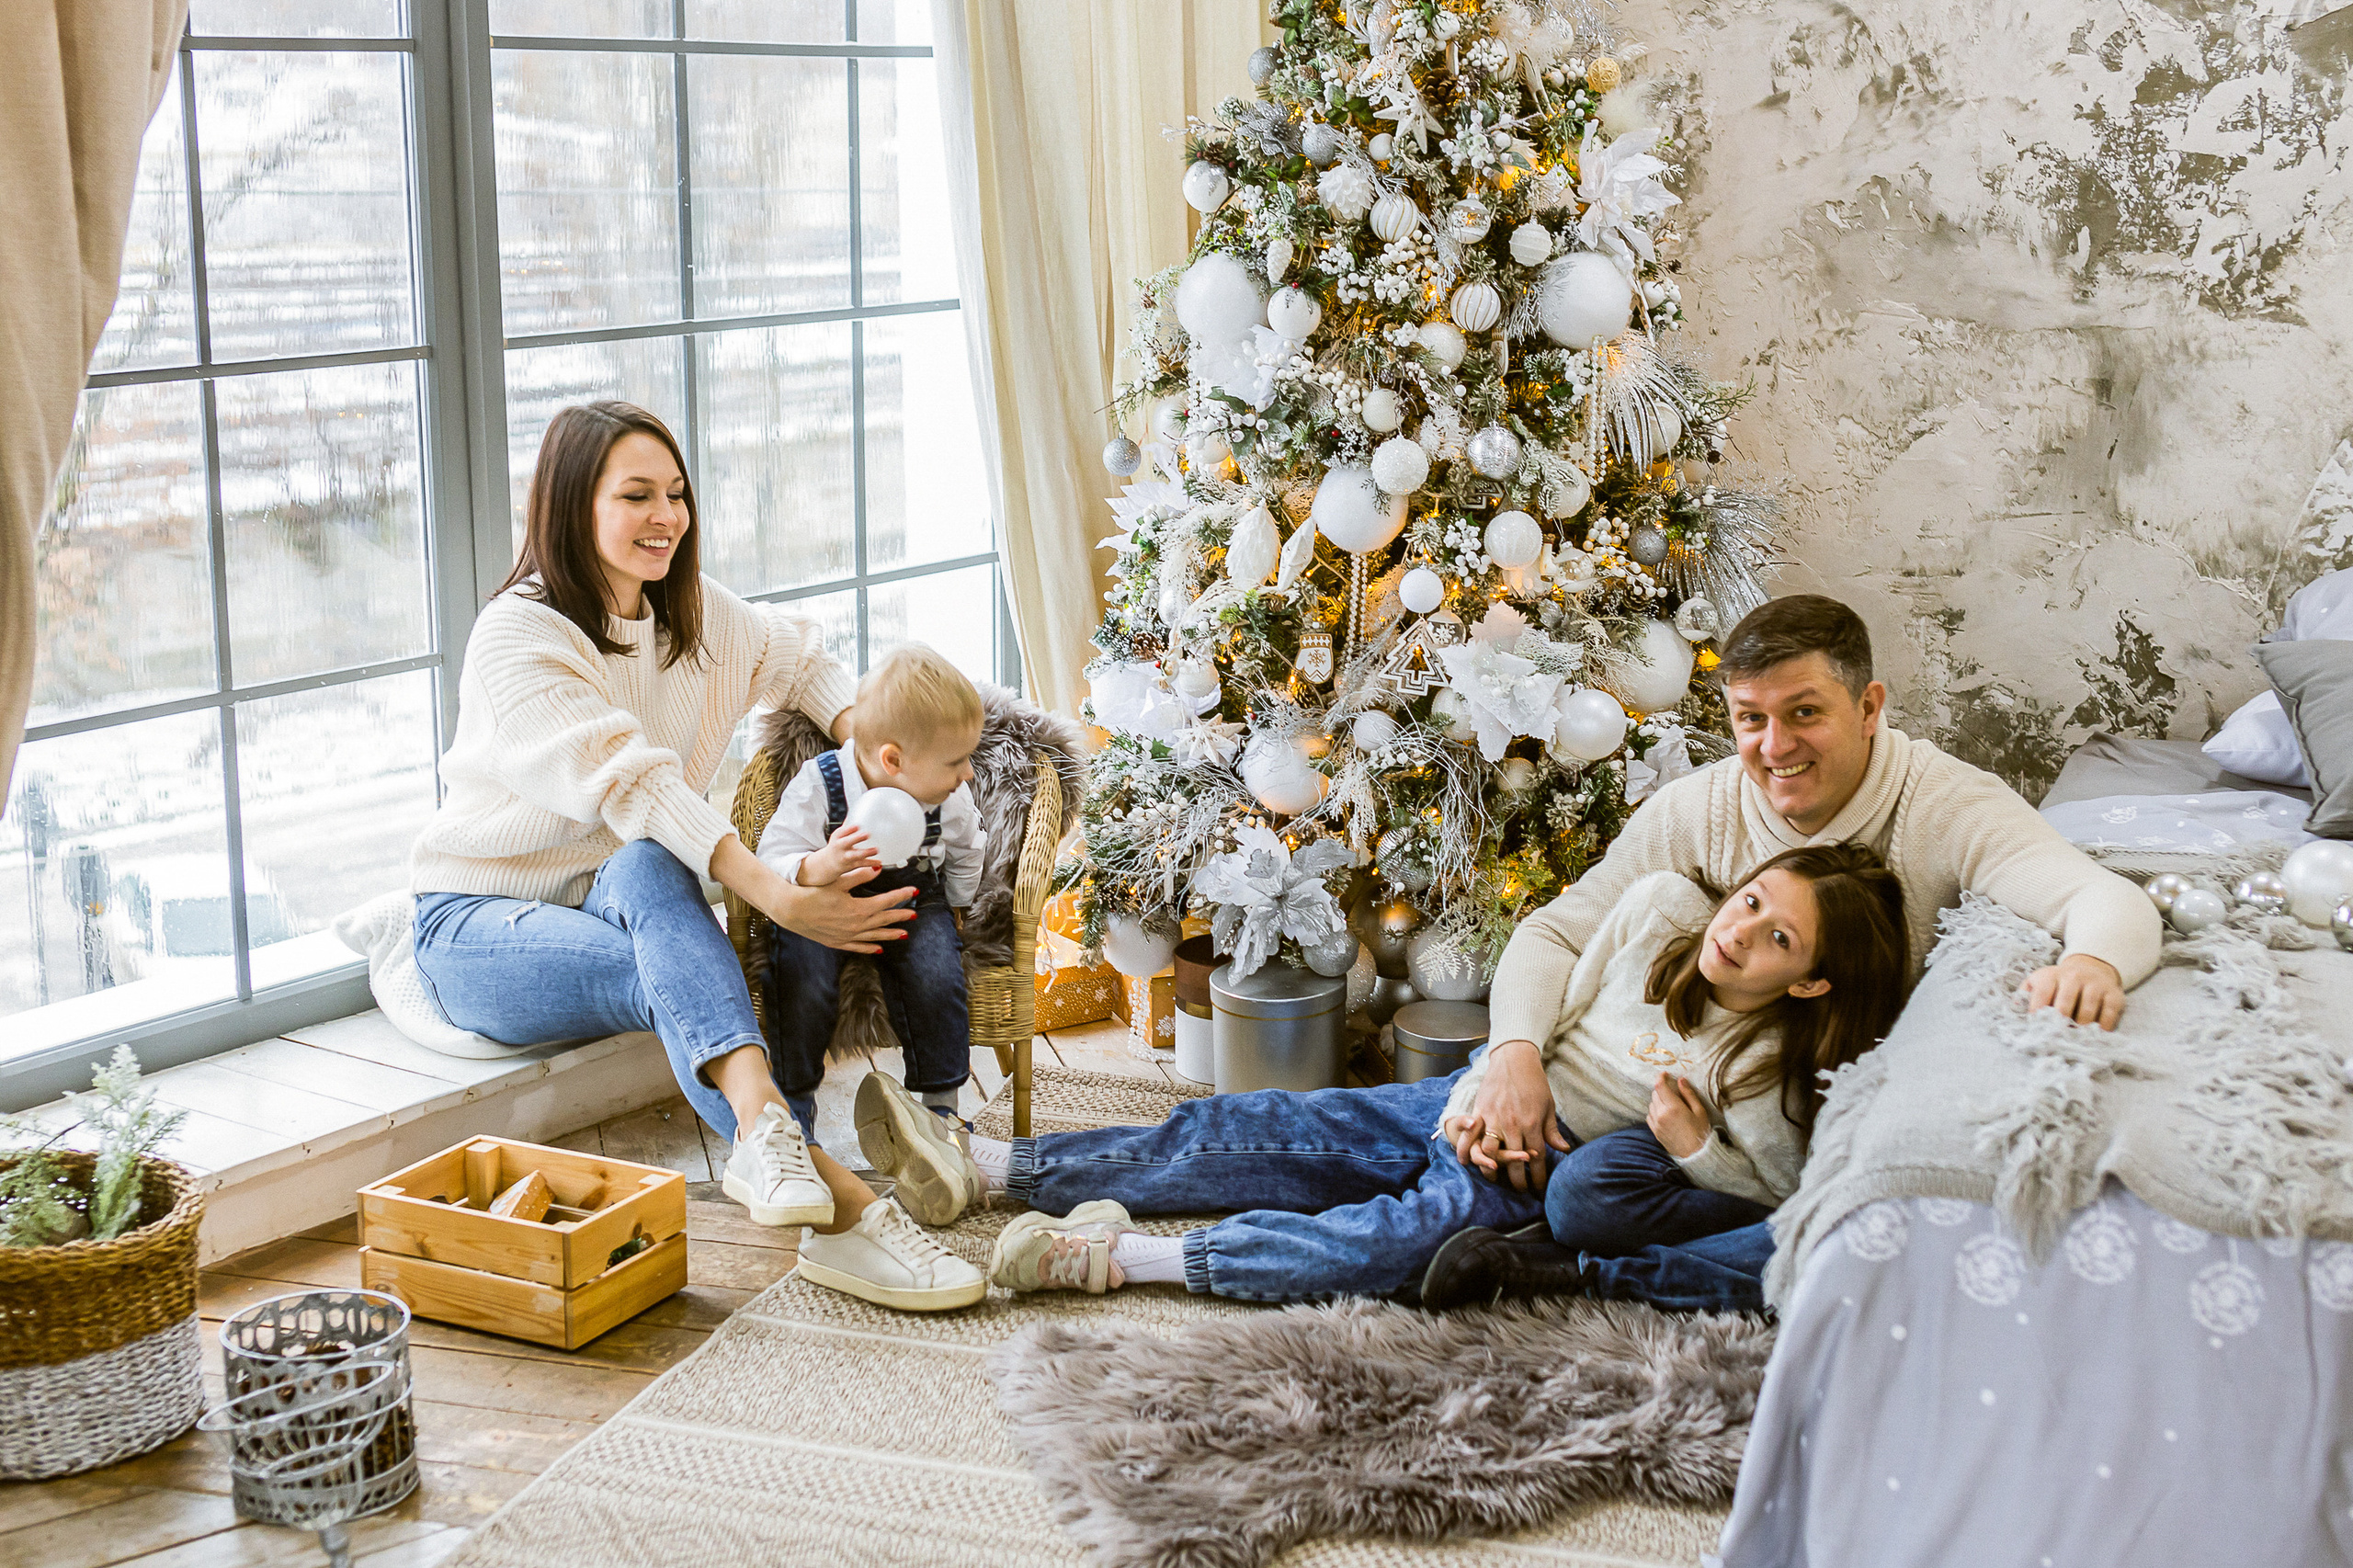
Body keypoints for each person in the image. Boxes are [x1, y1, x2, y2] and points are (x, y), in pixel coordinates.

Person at [1417, 592, 2165, 1312]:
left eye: (1805, 713)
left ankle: (1582, 1275)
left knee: (1863, 1242)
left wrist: (2093, 961)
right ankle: (1589, 1248)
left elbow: (2102, 899)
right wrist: (1514, 1053)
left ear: (1870, 708)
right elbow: (1559, 930)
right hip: (1677, 1109)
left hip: (1816, 1125)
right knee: (1570, 1187)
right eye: (1751, 719)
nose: (1775, 748)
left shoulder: (1944, 806)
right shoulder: (1697, 807)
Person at [407, 401, 983, 1312]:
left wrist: (882, 767)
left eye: (675, 493)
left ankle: (771, 1150)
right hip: (475, 927)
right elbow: (636, 783)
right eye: (635, 494)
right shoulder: (518, 636)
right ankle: (847, 1212)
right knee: (672, 947)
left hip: (619, 897)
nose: (665, 516)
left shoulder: (695, 617)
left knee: (648, 868)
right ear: (571, 506)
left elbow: (802, 666)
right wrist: (780, 889)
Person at [915, 846, 1909, 1305]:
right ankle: (1001, 1168)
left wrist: (1692, 1150)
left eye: (1775, 935)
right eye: (1747, 900)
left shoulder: (1772, 1061)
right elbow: (1546, 993)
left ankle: (1125, 1260)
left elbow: (1781, 1190)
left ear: (1811, 976)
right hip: (1476, 1096)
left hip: (1521, 1177)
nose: (1737, 931)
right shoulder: (1656, 909)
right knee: (1270, 1128)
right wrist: (1492, 1075)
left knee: (1380, 1242)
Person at [753, 645, 989, 1227]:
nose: (968, 774)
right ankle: (794, 1109)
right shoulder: (822, 783)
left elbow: (967, 851)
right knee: (799, 975)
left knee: (937, 973)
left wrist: (957, 907)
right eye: (957, 761)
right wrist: (816, 866)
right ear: (892, 760)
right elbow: (772, 854)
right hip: (825, 901)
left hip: (913, 897)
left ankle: (939, 1113)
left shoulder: (948, 798)